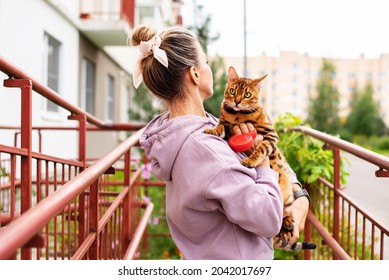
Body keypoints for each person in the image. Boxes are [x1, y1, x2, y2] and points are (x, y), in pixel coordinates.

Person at [129, 24, 309, 260]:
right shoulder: (208, 151)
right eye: (205, 60)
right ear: (195, 73)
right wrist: (263, 162)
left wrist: (296, 192)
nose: (209, 68)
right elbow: (268, 219)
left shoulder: (186, 132)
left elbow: (263, 160)